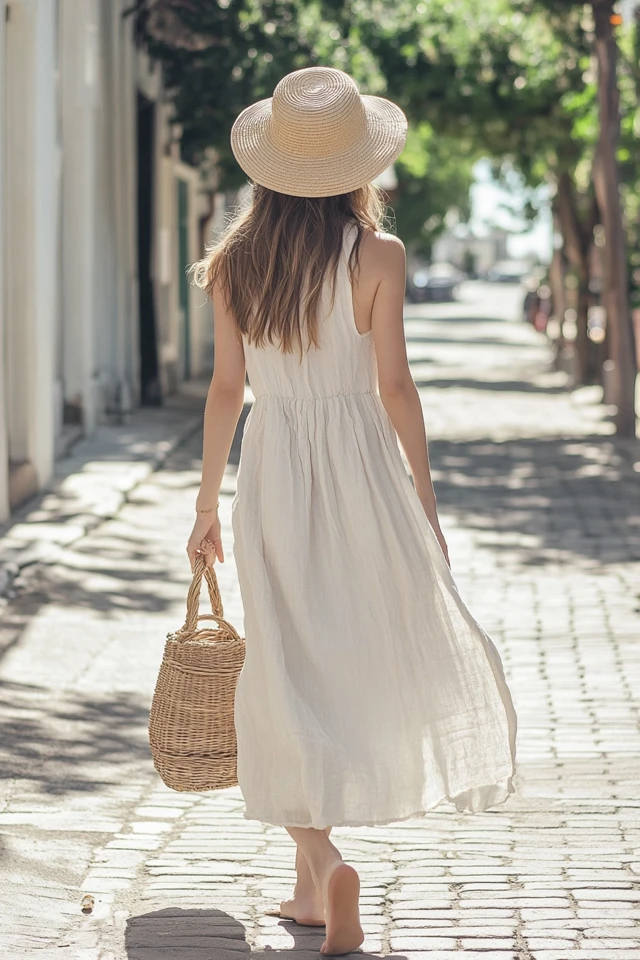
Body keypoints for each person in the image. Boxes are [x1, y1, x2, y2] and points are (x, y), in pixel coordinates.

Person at [186, 66, 517, 957]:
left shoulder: (233, 264)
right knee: (338, 656)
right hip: (363, 468)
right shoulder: (381, 257)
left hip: (275, 470)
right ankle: (318, 873)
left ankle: (316, 869)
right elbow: (396, 386)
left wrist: (207, 501)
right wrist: (425, 500)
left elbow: (226, 390)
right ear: (356, 167)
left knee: (282, 668)